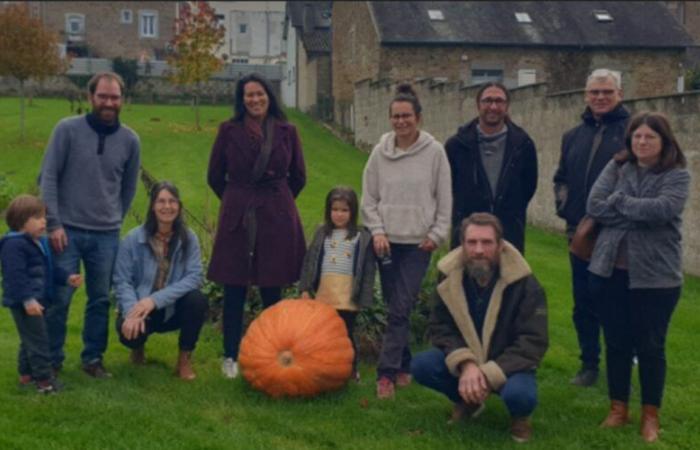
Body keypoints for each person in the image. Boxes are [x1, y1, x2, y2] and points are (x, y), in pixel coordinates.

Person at [586, 112, 689, 443]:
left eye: (650, 137)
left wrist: (620, 202)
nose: (642, 142)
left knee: (650, 347)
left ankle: (650, 415)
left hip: (657, 278)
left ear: (664, 141)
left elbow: (663, 210)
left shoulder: (677, 174)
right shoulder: (617, 166)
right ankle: (618, 408)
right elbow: (594, 204)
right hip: (610, 271)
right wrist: (633, 209)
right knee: (615, 343)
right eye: (637, 137)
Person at [411, 213, 548, 443]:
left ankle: (519, 418)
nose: (478, 250)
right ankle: (469, 401)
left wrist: (488, 372)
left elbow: (533, 340)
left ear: (500, 245)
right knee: (422, 366)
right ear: (462, 245)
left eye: (486, 242)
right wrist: (467, 364)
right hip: (469, 357)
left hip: (509, 365)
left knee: (520, 396)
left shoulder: (525, 284)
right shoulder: (449, 277)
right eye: (471, 242)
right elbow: (440, 326)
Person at [38, 71, 141, 378]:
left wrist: (114, 220)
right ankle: (51, 359)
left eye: (115, 97)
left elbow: (129, 188)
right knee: (59, 298)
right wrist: (53, 224)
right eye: (103, 96)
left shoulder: (130, 140)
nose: (109, 102)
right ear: (90, 98)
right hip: (65, 231)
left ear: (123, 100)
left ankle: (92, 359)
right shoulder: (67, 130)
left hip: (106, 235)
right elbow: (49, 177)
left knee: (99, 300)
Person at [207, 73, 306, 379]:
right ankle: (231, 355)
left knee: (271, 288)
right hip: (238, 216)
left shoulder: (287, 131)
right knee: (234, 286)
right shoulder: (228, 130)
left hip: (275, 216)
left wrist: (276, 203)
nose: (255, 100)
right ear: (241, 99)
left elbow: (298, 177)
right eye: (249, 95)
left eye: (260, 94)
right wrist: (238, 200)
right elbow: (214, 175)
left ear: (269, 96)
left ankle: (272, 352)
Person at [361, 83, 452, 399]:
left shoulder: (434, 152)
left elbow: (445, 199)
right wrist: (377, 231)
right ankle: (404, 365)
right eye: (396, 116)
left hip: (418, 245)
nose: (401, 122)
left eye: (407, 116)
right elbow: (369, 199)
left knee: (401, 307)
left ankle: (385, 375)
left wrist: (436, 234)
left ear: (418, 118)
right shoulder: (379, 153)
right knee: (394, 307)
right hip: (386, 243)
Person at [553, 68, 629, 387]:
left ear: (619, 95)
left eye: (607, 92)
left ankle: (621, 363)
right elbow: (561, 178)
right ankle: (589, 365)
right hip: (579, 234)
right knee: (583, 303)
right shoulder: (573, 135)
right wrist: (565, 206)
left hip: (616, 234)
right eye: (594, 92)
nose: (600, 97)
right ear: (586, 95)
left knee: (616, 303)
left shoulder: (632, 132)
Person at [113, 182, 208, 380]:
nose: (167, 207)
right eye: (161, 201)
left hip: (173, 307)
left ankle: (183, 360)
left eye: (172, 201)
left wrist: (155, 300)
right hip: (141, 306)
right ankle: (137, 348)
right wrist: (132, 311)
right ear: (152, 206)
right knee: (129, 334)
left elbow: (195, 276)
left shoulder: (189, 238)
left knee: (197, 300)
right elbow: (122, 280)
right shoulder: (133, 239)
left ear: (179, 207)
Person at [0, 195, 82, 393]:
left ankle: (26, 376)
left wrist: (67, 277)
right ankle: (45, 382)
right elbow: (15, 277)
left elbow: (49, 269)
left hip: (39, 301)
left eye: (44, 216)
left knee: (29, 339)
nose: (44, 221)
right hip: (25, 303)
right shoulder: (13, 245)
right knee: (39, 341)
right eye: (38, 217)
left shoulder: (38, 242)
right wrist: (28, 300)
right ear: (21, 220)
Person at [445, 82, 538, 254]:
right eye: (487, 101)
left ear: (507, 106)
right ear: (478, 105)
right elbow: (449, 186)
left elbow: (528, 187)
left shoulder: (523, 145)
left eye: (499, 101)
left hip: (509, 231)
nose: (493, 106)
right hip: (467, 231)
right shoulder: (457, 145)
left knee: (509, 279)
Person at [299, 186, 376, 382]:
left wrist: (364, 297)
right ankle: (322, 368)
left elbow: (367, 271)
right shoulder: (322, 233)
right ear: (328, 211)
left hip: (347, 294)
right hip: (325, 293)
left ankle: (351, 370)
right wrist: (306, 288)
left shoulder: (361, 236)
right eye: (335, 210)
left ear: (353, 212)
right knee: (322, 333)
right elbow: (310, 262)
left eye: (344, 210)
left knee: (345, 333)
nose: (339, 215)